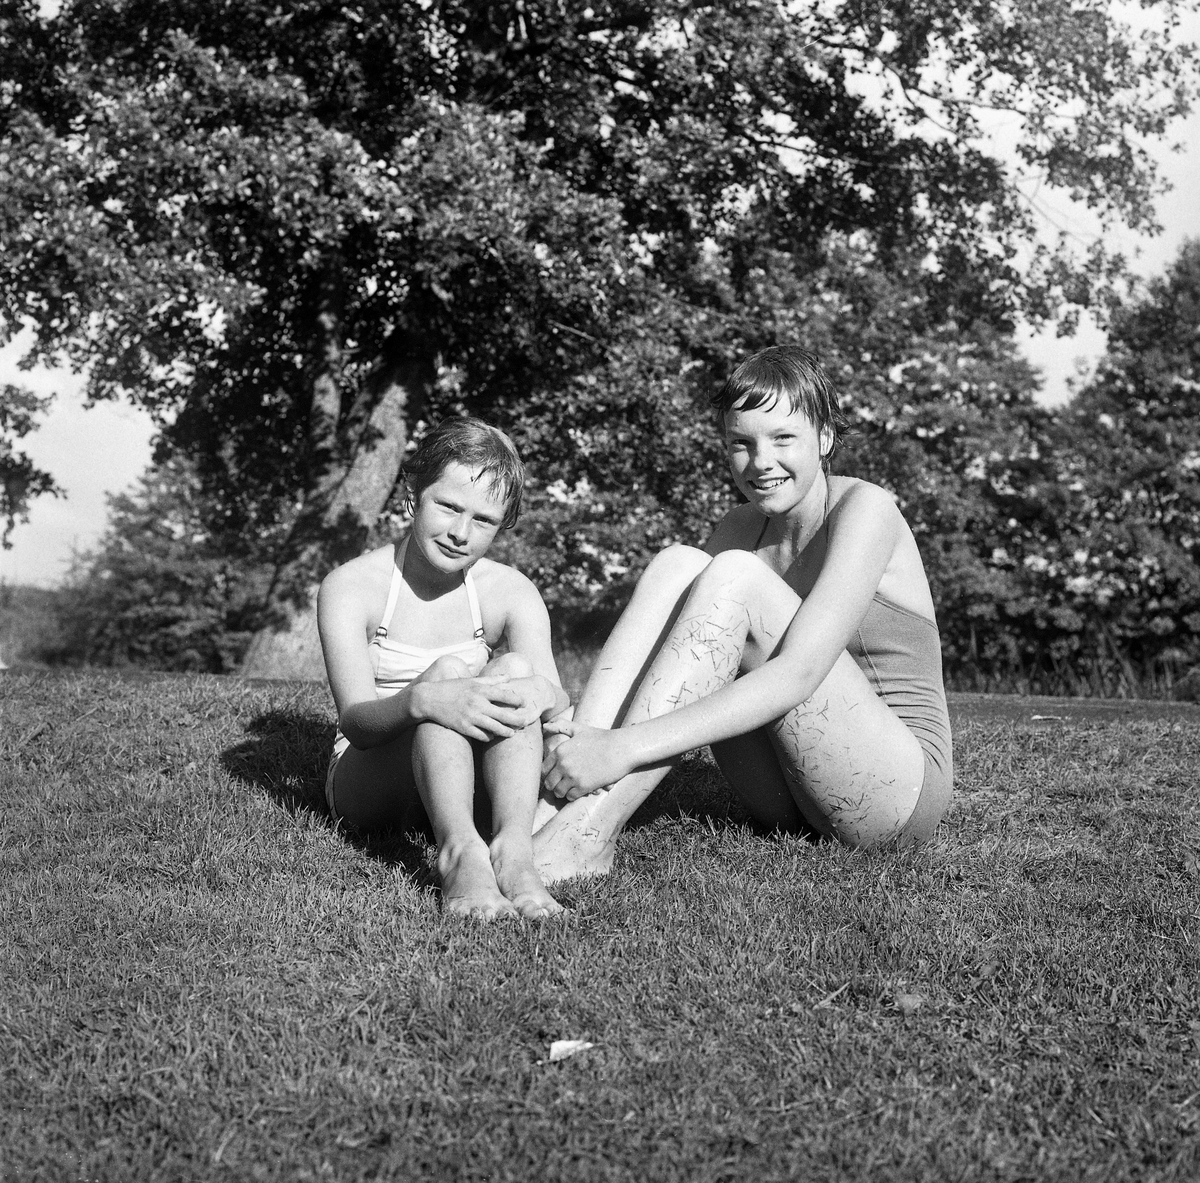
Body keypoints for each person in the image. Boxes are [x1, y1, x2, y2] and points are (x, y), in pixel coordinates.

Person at [533, 345, 953, 882]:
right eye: (741, 443)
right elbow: (681, 658)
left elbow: (800, 672)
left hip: (892, 790)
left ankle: (586, 836)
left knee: (736, 575)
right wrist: (587, 732)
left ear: (825, 438)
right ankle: (551, 806)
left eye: (783, 438)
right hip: (786, 792)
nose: (761, 462)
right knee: (677, 564)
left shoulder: (866, 509)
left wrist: (623, 747)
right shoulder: (739, 526)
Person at [319, 417, 570, 920]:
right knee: (447, 678)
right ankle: (459, 855)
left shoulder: (509, 591)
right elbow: (356, 724)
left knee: (517, 668)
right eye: (449, 507)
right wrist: (422, 698)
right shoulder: (352, 586)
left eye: (483, 521)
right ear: (413, 497)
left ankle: (513, 850)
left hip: (465, 776)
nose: (460, 533)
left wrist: (543, 692)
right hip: (372, 779)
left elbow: (556, 703)